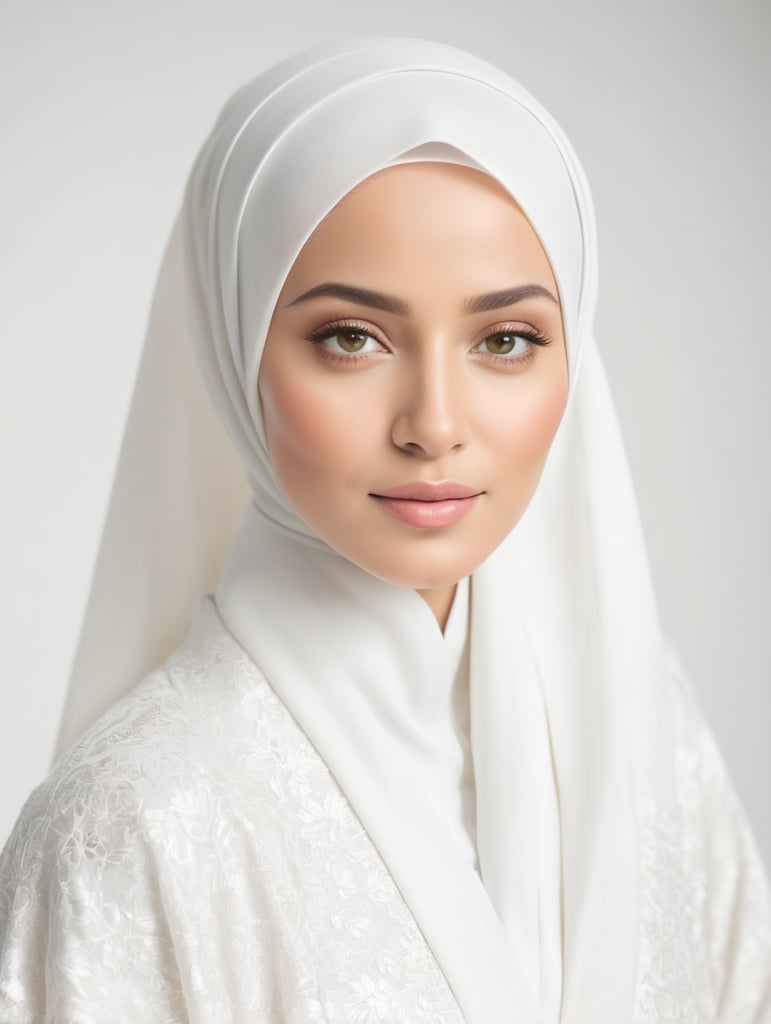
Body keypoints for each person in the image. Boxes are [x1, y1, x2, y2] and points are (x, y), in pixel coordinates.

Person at [1, 36, 769, 1023]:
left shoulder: (640, 712)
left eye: (505, 340)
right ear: (235, 347)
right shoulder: (136, 825)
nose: (435, 424)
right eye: (351, 337)